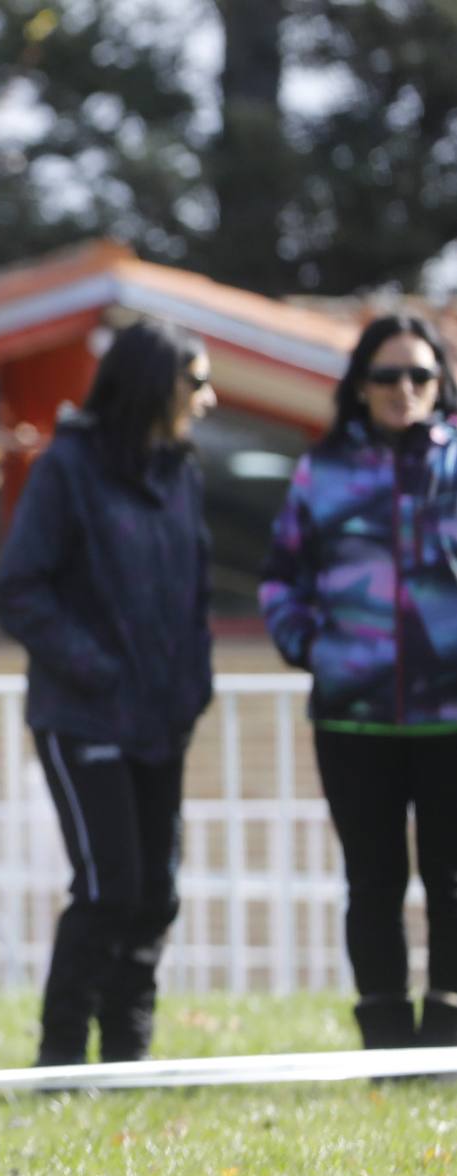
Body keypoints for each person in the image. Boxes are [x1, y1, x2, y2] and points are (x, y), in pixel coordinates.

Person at [0, 319, 217, 1068]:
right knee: (107, 885)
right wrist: (98, 669)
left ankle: (129, 1056)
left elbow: (192, 595)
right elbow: (18, 591)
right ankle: (60, 1061)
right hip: (81, 714)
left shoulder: (181, 471)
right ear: (155, 386)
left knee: (156, 892)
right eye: (196, 382)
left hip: (161, 720)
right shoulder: (69, 468)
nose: (207, 398)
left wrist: (192, 684)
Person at [261, 313, 457, 1050]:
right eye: (385, 376)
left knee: (452, 883)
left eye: (418, 375)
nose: (401, 389)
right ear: (360, 385)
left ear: (439, 383)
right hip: (352, 716)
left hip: (450, 716)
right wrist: (310, 646)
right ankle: (384, 1041)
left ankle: (445, 1039)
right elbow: (282, 576)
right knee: (371, 882)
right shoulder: (323, 470)